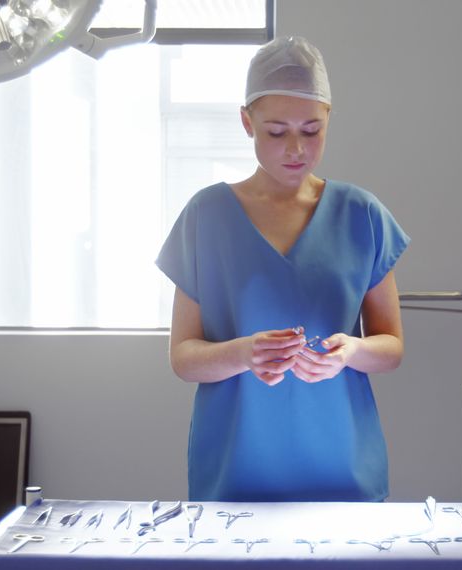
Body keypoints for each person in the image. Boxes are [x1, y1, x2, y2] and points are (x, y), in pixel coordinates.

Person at [156, 36, 409, 502]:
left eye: (312, 130)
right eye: (276, 131)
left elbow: (390, 347)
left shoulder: (362, 215)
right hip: (236, 472)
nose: (296, 148)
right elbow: (183, 357)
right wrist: (243, 353)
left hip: (342, 468)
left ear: (329, 120)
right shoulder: (206, 216)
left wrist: (349, 352)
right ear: (246, 122)